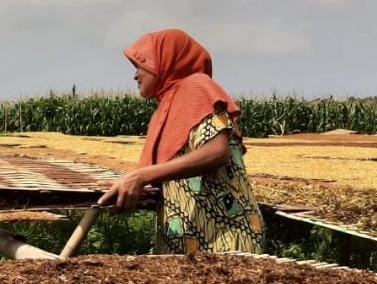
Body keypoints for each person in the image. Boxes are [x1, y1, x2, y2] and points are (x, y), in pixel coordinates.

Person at [98, 28, 264, 254]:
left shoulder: (197, 88)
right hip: (185, 244)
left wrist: (141, 176)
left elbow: (217, 152)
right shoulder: (164, 110)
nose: (135, 75)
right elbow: (169, 178)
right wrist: (128, 188)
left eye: (141, 65)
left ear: (167, 61)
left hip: (223, 237)